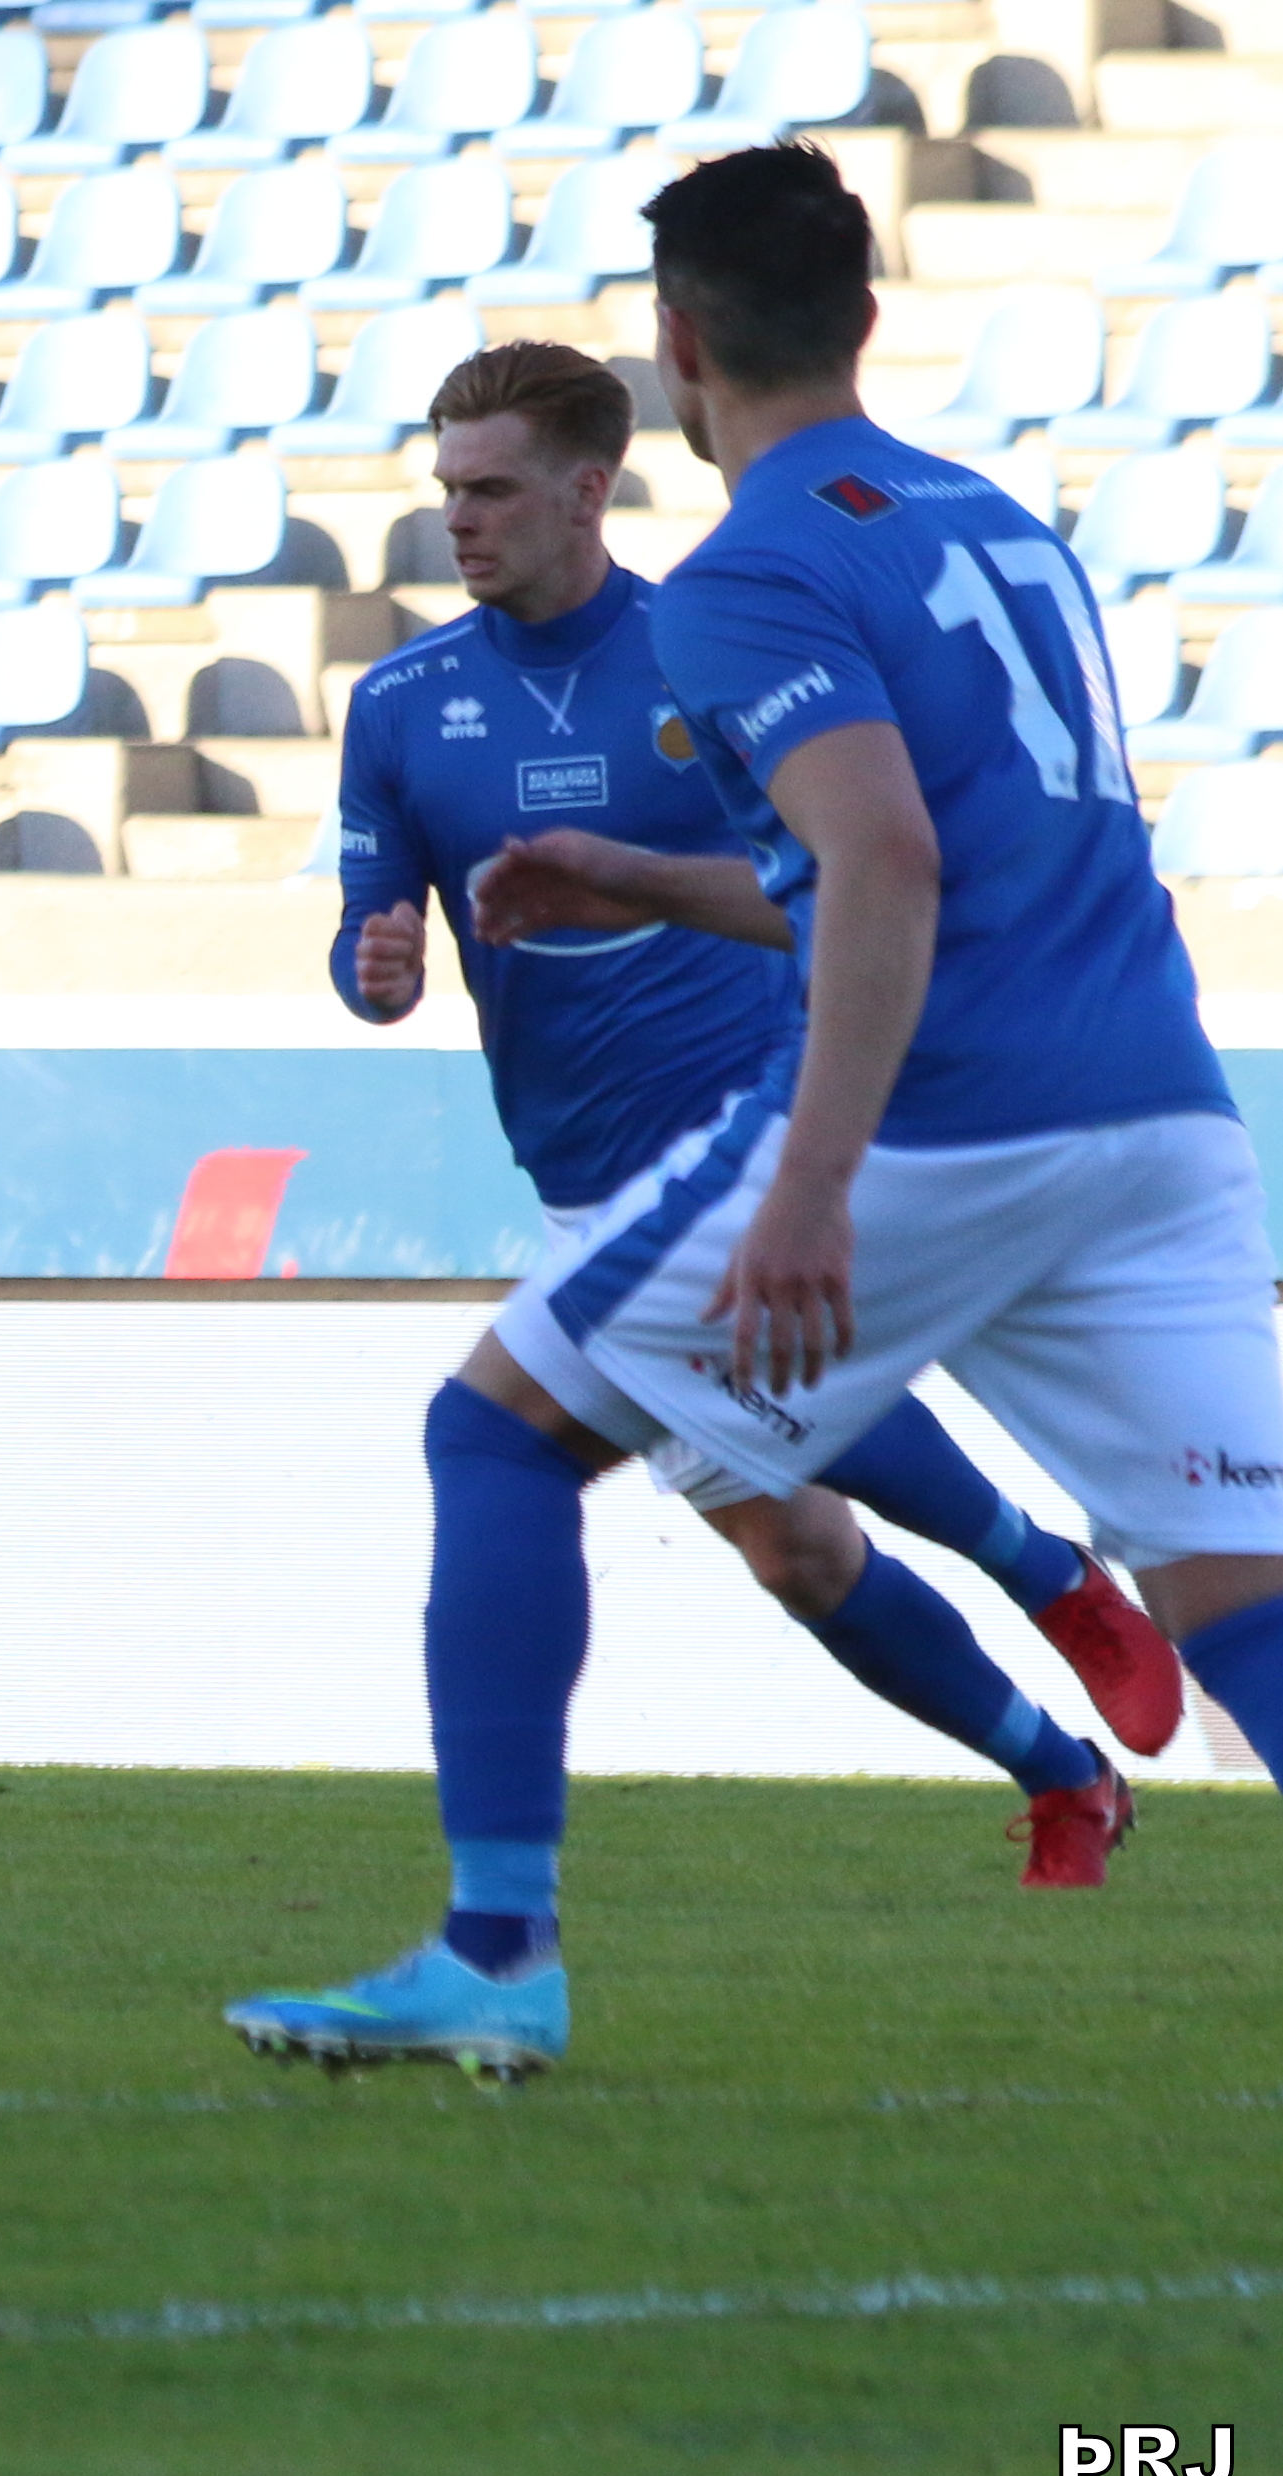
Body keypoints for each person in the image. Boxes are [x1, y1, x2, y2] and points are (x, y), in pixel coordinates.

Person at [231, 144, 1283, 2078]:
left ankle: (496, 1949)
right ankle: (1054, 1655)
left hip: (937, 1111)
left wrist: (810, 1183)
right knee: (1244, 1599)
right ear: (862, 316)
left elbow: (884, 864)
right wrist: (635, 879)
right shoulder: (999, 526)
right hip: (1159, 1113)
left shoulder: (742, 577)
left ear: (678, 346)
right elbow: (928, 849)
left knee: (494, 1435)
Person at [327, 339, 1166, 1897]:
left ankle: (1048, 1576)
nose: (459, 518)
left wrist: (653, 891)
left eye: (491, 488)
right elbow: (365, 933)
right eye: (447, 489)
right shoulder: (399, 704)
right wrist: (375, 969)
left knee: (643, 1390)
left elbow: (845, 888)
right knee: (797, 1551)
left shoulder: (708, 651)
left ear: (589, 491)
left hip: (747, 1130)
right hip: (579, 1174)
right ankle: (1064, 1771)